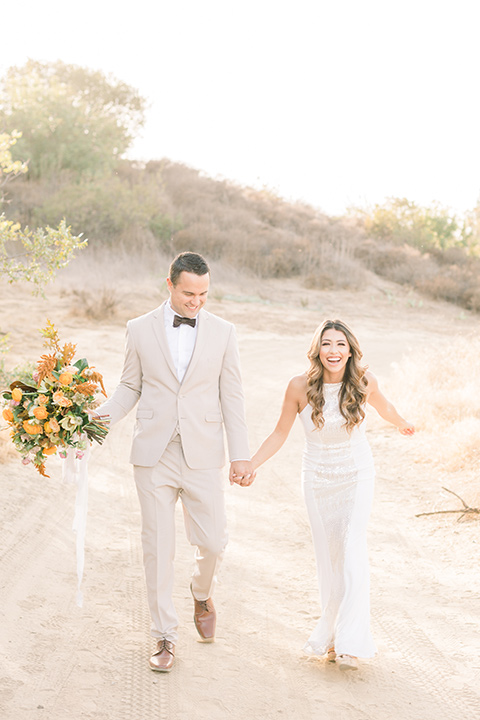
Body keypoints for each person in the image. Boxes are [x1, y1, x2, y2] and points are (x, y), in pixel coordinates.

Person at [98, 252, 254, 672]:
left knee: (215, 541)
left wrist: (240, 454)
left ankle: (201, 592)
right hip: (154, 453)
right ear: (168, 284)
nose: (196, 302)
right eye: (188, 293)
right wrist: (94, 423)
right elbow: (129, 386)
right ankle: (164, 635)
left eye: (203, 294)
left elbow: (232, 395)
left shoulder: (224, 332)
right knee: (158, 546)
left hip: (204, 451)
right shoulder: (138, 328)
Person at [247, 319, 414, 671]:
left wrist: (401, 423)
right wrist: (252, 463)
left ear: (350, 350)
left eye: (340, 344)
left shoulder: (364, 382)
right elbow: (279, 434)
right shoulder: (298, 387)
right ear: (317, 349)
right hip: (317, 480)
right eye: (327, 344)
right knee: (329, 558)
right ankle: (334, 639)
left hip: (357, 475)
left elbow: (384, 406)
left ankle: (352, 644)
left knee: (352, 551)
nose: (334, 351)